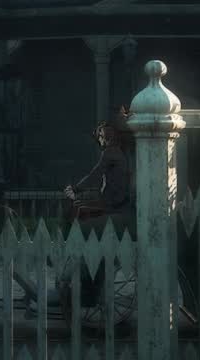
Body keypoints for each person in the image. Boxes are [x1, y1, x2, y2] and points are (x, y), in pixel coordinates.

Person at [60, 114, 135, 308]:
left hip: (115, 205)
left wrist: (76, 189)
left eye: (102, 136)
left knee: (80, 217)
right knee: (80, 208)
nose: (100, 140)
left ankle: (78, 267)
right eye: (99, 136)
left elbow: (95, 174)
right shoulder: (120, 152)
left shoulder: (111, 152)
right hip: (113, 201)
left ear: (110, 136)